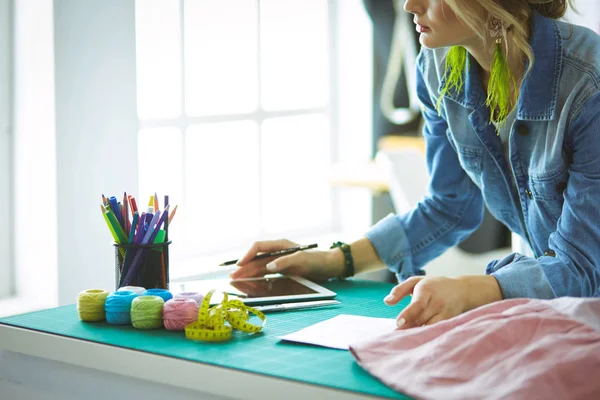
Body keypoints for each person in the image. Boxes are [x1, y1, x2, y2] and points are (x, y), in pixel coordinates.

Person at [232, 0, 600, 330]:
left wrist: (470, 290)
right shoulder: (438, 66)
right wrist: (334, 259)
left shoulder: (589, 84)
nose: (410, 5)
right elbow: (450, 204)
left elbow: (582, 269)